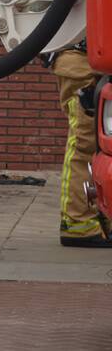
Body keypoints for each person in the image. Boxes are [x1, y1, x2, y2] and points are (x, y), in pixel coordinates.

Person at [50, 43, 112, 247]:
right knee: (84, 145)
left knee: (104, 146)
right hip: (83, 67)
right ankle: (77, 222)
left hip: (95, 63)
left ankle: (101, 216)